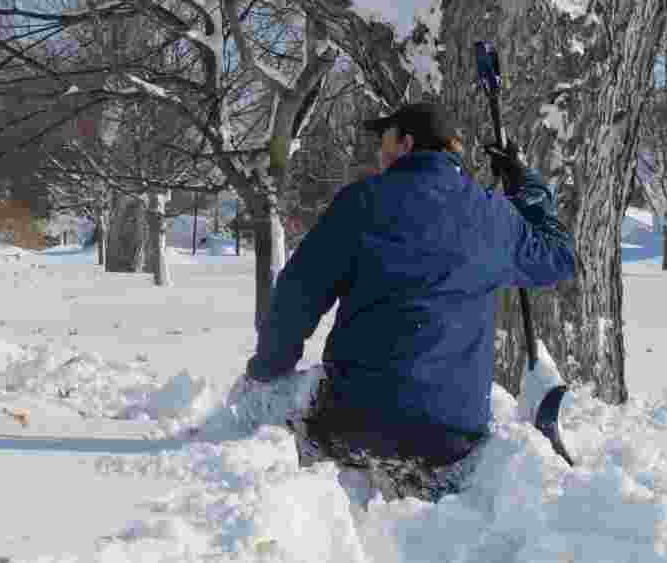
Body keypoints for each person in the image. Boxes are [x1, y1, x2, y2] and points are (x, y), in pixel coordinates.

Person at [244, 101, 577, 503]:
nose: (378, 151)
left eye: (384, 138)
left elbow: (296, 296)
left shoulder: (362, 202)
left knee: (260, 406)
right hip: (450, 442)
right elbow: (558, 257)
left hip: (351, 423)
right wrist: (528, 190)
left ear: (406, 142)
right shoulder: (496, 218)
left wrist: (267, 371)